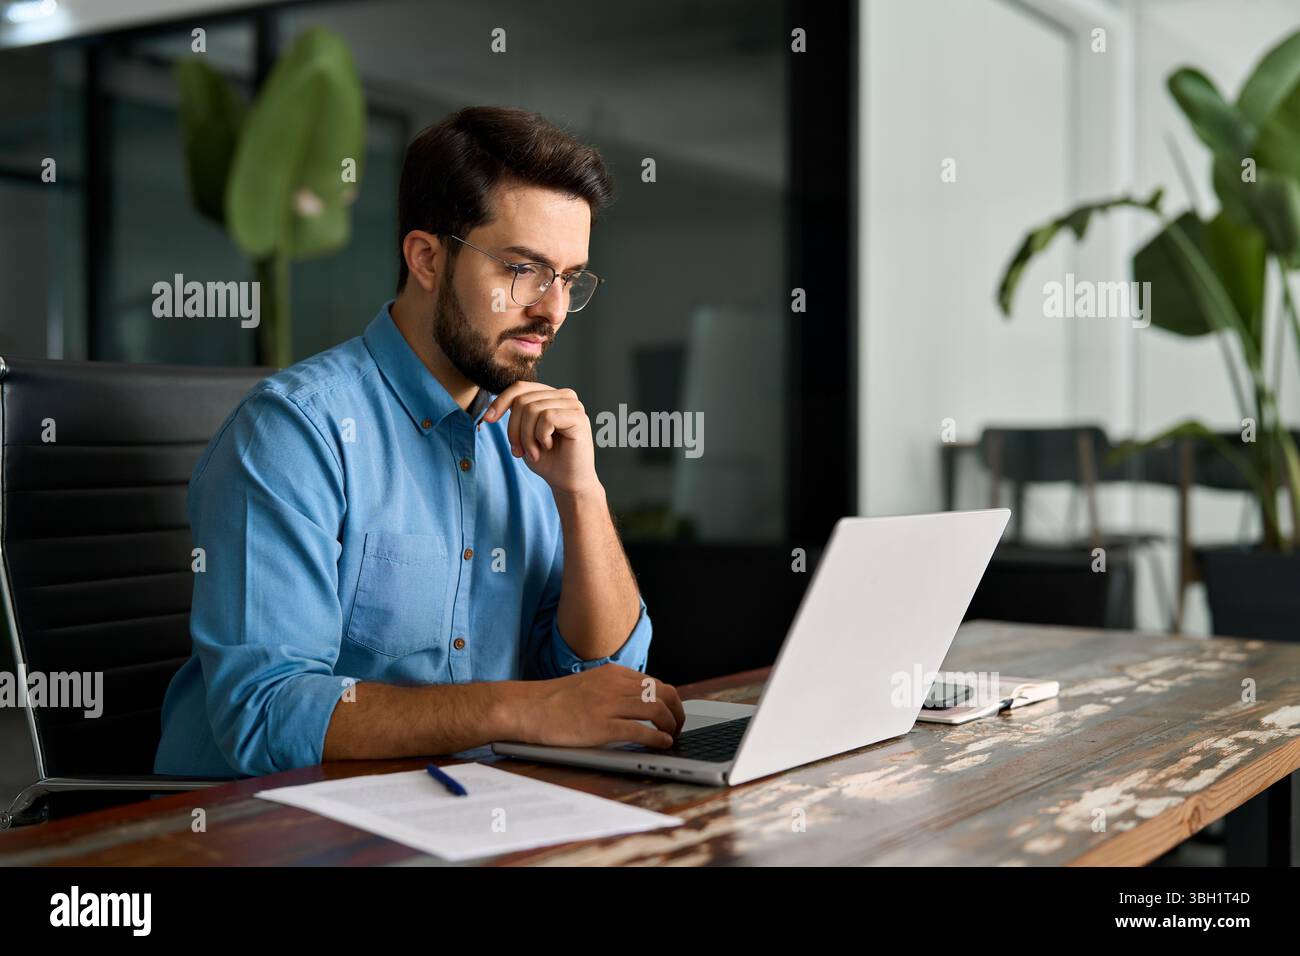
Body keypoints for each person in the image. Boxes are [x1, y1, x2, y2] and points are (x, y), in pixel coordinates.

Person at [155, 106, 684, 777]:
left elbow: (606, 683)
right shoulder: (295, 432)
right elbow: (264, 712)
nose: (551, 308)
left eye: (569, 278)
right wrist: (517, 711)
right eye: (524, 269)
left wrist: (582, 495)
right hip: (268, 829)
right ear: (428, 259)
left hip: (466, 810)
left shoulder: (533, 439)